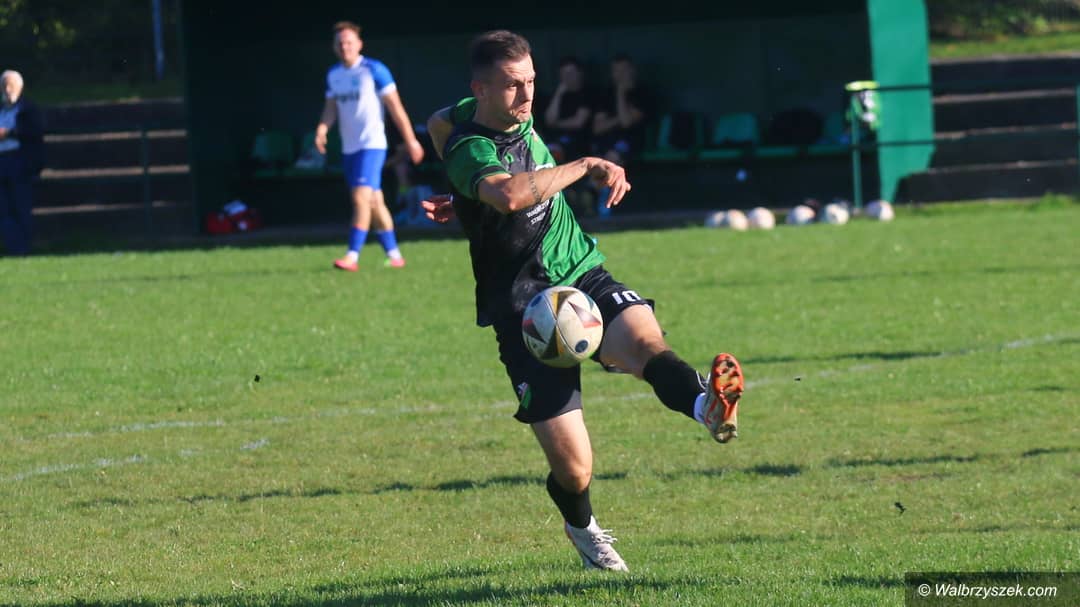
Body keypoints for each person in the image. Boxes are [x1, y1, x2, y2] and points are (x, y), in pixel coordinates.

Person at [421, 30, 745, 572]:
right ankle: (583, 527)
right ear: (480, 89)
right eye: (511, 85)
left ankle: (705, 405)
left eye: (530, 81)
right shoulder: (470, 147)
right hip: (525, 308)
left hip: (579, 270)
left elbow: (435, 120)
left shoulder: (479, 111)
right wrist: (583, 164)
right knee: (575, 470)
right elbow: (510, 194)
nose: (526, 95)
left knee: (645, 343)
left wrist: (463, 198)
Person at [314, 21, 424, 271]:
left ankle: (352, 256)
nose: (344, 47)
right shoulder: (334, 75)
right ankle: (395, 256)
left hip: (372, 145)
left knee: (360, 199)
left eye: (349, 42)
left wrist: (411, 141)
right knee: (374, 201)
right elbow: (331, 108)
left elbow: (396, 109)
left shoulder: (374, 70)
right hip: (349, 149)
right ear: (334, 47)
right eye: (340, 43)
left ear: (359, 44)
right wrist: (322, 129)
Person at [590, 53, 653, 217]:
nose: (620, 75)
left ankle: (603, 201)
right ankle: (594, 197)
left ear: (632, 71)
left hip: (633, 142)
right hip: (606, 141)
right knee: (595, 161)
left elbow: (626, 123)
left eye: (624, 70)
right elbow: (598, 127)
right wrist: (619, 118)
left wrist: (620, 94)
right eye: (616, 71)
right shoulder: (606, 94)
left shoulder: (643, 93)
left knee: (611, 157)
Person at [540, 56, 598, 217]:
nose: (567, 78)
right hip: (556, 143)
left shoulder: (587, 94)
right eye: (564, 74)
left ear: (580, 74)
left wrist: (556, 124)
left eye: (571, 73)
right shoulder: (558, 95)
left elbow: (578, 122)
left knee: (554, 153)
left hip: (581, 143)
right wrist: (559, 94)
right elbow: (549, 119)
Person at [0, 70, 44, 256]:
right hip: (2, 161)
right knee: (3, 208)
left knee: (20, 205)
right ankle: (13, 246)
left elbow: (34, 132)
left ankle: (23, 247)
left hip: (19, 162)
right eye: (4, 86)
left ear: (20, 88)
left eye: (11, 86)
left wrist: (9, 133)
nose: (8, 90)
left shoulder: (28, 110)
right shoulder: (1, 110)